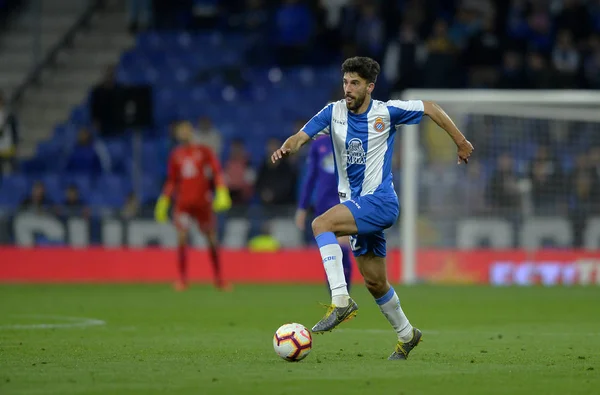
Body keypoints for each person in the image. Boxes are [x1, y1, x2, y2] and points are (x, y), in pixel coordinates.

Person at [271, 56, 473, 360]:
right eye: (345, 82)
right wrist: (289, 146)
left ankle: (340, 300)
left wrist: (460, 141)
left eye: (355, 83)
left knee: (320, 224)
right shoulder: (333, 112)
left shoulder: (386, 112)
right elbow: (302, 135)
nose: (348, 89)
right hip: (355, 206)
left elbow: (430, 107)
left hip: (380, 201)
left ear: (369, 87)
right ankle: (408, 335)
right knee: (375, 283)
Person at [154, 121, 232, 291]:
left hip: (203, 202)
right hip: (183, 203)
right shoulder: (176, 155)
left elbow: (216, 171)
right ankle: (182, 279)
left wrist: (221, 190)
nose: (183, 134)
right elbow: (172, 180)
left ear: (191, 132)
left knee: (211, 240)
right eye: (180, 131)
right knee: (181, 238)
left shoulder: (204, 151)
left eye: (186, 130)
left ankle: (219, 279)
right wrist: (164, 199)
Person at [295, 134, 353, 294]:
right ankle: (336, 298)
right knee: (330, 255)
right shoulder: (318, 145)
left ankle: (345, 294)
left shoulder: (351, 140)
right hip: (323, 206)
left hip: (344, 203)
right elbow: (310, 177)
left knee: (342, 249)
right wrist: (302, 207)